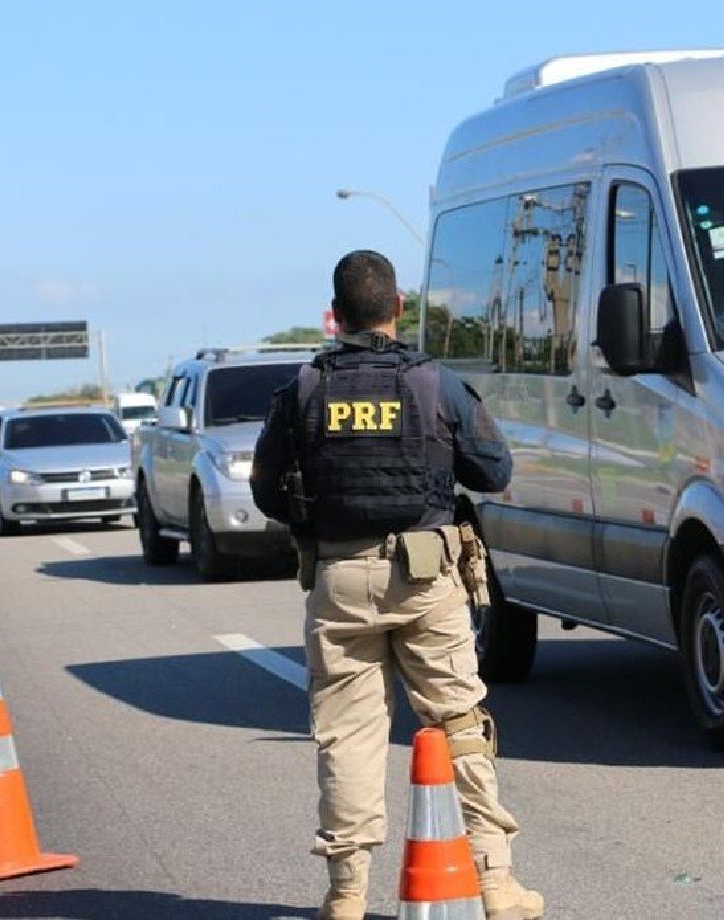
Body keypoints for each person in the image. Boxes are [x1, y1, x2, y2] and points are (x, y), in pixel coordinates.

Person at [251, 250, 543, 920]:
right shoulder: (434, 385)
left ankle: (346, 895)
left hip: (340, 575)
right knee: (459, 722)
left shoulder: (303, 389)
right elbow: (495, 470)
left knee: (348, 736)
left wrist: (319, 515)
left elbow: (267, 489)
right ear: (398, 309)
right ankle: (495, 885)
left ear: (336, 314)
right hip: (426, 575)